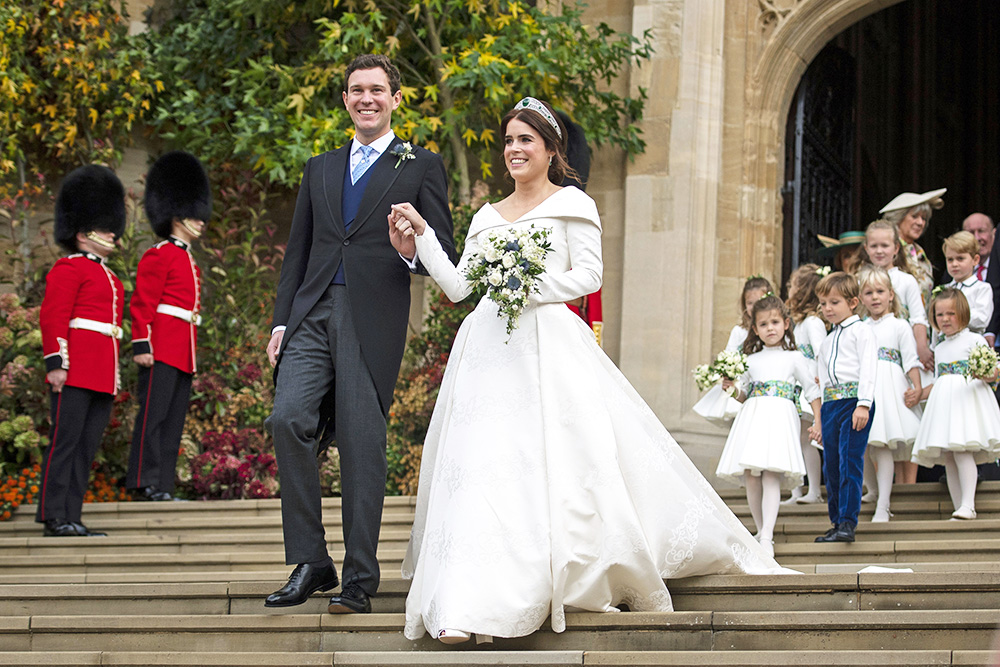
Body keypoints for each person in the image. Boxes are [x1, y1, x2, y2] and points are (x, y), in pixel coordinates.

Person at [389, 97, 784, 644]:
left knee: (548, 468)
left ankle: (546, 584)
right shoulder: (485, 216)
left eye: (526, 140)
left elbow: (588, 277)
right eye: (508, 141)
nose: (514, 150)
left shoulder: (574, 203)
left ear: (551, 149)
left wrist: (523, 287)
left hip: (549, 349)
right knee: (483, 470)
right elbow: (459, 288)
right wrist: (421, 241)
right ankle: (464, 604)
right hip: (487, 355)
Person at [263, 54, 455, 611]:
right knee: (287, 418)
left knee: (361, 446)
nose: (365, 98)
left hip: (372, 318)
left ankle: (359, 580)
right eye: (355, 90)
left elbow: (442, 253)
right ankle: (312, 560)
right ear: (345, 100)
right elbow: (297, 251)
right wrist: (281, 319)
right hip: (310, 312)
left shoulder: (420, 165)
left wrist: (411, 252)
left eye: (376, 89)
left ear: (396, 98)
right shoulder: (319, 167)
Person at [37, 165, 126, 537]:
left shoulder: (110, 276)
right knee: (65, 443)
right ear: (82, 230)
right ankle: (54, 514)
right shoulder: (68, 268)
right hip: (74, 371)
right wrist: (57, 363)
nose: (111, 234)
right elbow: (53, 317)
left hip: (101, 375)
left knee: (85, 448)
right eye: (105, 227)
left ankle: (72, 514)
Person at [127, 151, 210, 502]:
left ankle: (162, 484)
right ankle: (143, 481)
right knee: (152, 418)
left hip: (182, 350)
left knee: (172, 422)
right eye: (195, 214)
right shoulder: (159, 254)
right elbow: (143, 303)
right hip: (161, 347)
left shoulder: (188, 259)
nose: (202, 221)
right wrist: (142, 344)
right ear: (178, 216)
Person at [716, 294, 822, 556]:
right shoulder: (750, 360)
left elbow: (812, 391)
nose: (770, 328)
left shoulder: (795, 357)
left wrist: (818, 420)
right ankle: (760, 529)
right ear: (755, 329)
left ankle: (768, 536)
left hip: (779, 417)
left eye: (775, 322)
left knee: (771, 473)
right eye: (763, 324)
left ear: (786, 324)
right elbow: (745, 395)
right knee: (752, 477)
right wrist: (731, 389)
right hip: (753, 417)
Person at [911, 288, 1000, 520]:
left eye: (951, 313)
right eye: (940, 315)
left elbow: (993, 372)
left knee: (962, 451)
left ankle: (969, 504)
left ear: (963, 313)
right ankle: (958, 504)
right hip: (945, 405)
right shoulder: (939, 348)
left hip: (967, 402)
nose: (945, 319)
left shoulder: (974, 339)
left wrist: (986, 372)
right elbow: (941, 380)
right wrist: (919, 394)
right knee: (949, 455)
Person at [862, 219, 930, 485]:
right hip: (874, 366)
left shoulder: (906, 280)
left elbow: (918, 317)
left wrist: (922, 347)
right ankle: (881, 488)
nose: (880, 251)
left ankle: (908, 487)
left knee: (903, 419)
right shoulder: (861, 279)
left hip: (904, 357)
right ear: (866, 248)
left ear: (896, 248)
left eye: (885, 245)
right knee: (879, 427)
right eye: (874, 245)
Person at [814, 271, 876, 543]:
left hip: (853, 404)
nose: (828, 308)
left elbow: (869, 368)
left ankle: (848, 522)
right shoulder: (828, 339)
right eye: (824, 303)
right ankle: (836, 520)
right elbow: (822, 377)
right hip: (830, 405)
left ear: (852, 302)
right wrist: (819, 418)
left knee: (850, 460)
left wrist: (863, 404)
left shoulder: (862, 331)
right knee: (831, 465)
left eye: (834, 302)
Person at [857, 266, 922, 523]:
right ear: (860, 298)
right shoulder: (859, 327)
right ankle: (872, 490)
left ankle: (884, 504)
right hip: (865, 389)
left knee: (881, 443)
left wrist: (916, 390)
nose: (875, 297)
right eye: (869, 292)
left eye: (880, 292)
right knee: (863, 445)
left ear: (891, 295)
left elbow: (911, 360)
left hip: (889, 388)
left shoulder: (900, 325)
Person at [692, 275, 773, 425]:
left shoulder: (771, 330)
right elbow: (730, 353)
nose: (754, 307)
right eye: (749, 303)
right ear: (744, 304)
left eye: (758, 302)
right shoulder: (739, 331)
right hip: (742, 382)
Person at [782, 264, 827, 505]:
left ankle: (814, 491)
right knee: (798, 439)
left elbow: (822, 353)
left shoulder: (812, 323)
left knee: (806, 438)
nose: (789, 289)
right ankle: (797, 489)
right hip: (797, 385)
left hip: (810, 385)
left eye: (793, 285)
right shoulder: (798, 323)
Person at [879, 188, 946, 308]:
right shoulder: (885, 252)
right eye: (914, 216)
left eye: (924, 218)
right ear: (898, 217)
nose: (920, 223)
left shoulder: (920, 254)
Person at [940, 231, 993, 336]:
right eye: (950, 259)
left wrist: (955, 314)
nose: (954, 264)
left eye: (960, 258)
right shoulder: (943, 290)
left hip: (972, 345)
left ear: (975, 260)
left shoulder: (982, 288)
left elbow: (982, 319)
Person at [963, 213, 999, 347]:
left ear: (994, 233)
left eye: (981, 231)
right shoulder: (953, 273)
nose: (977, 238)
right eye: (971, 232)